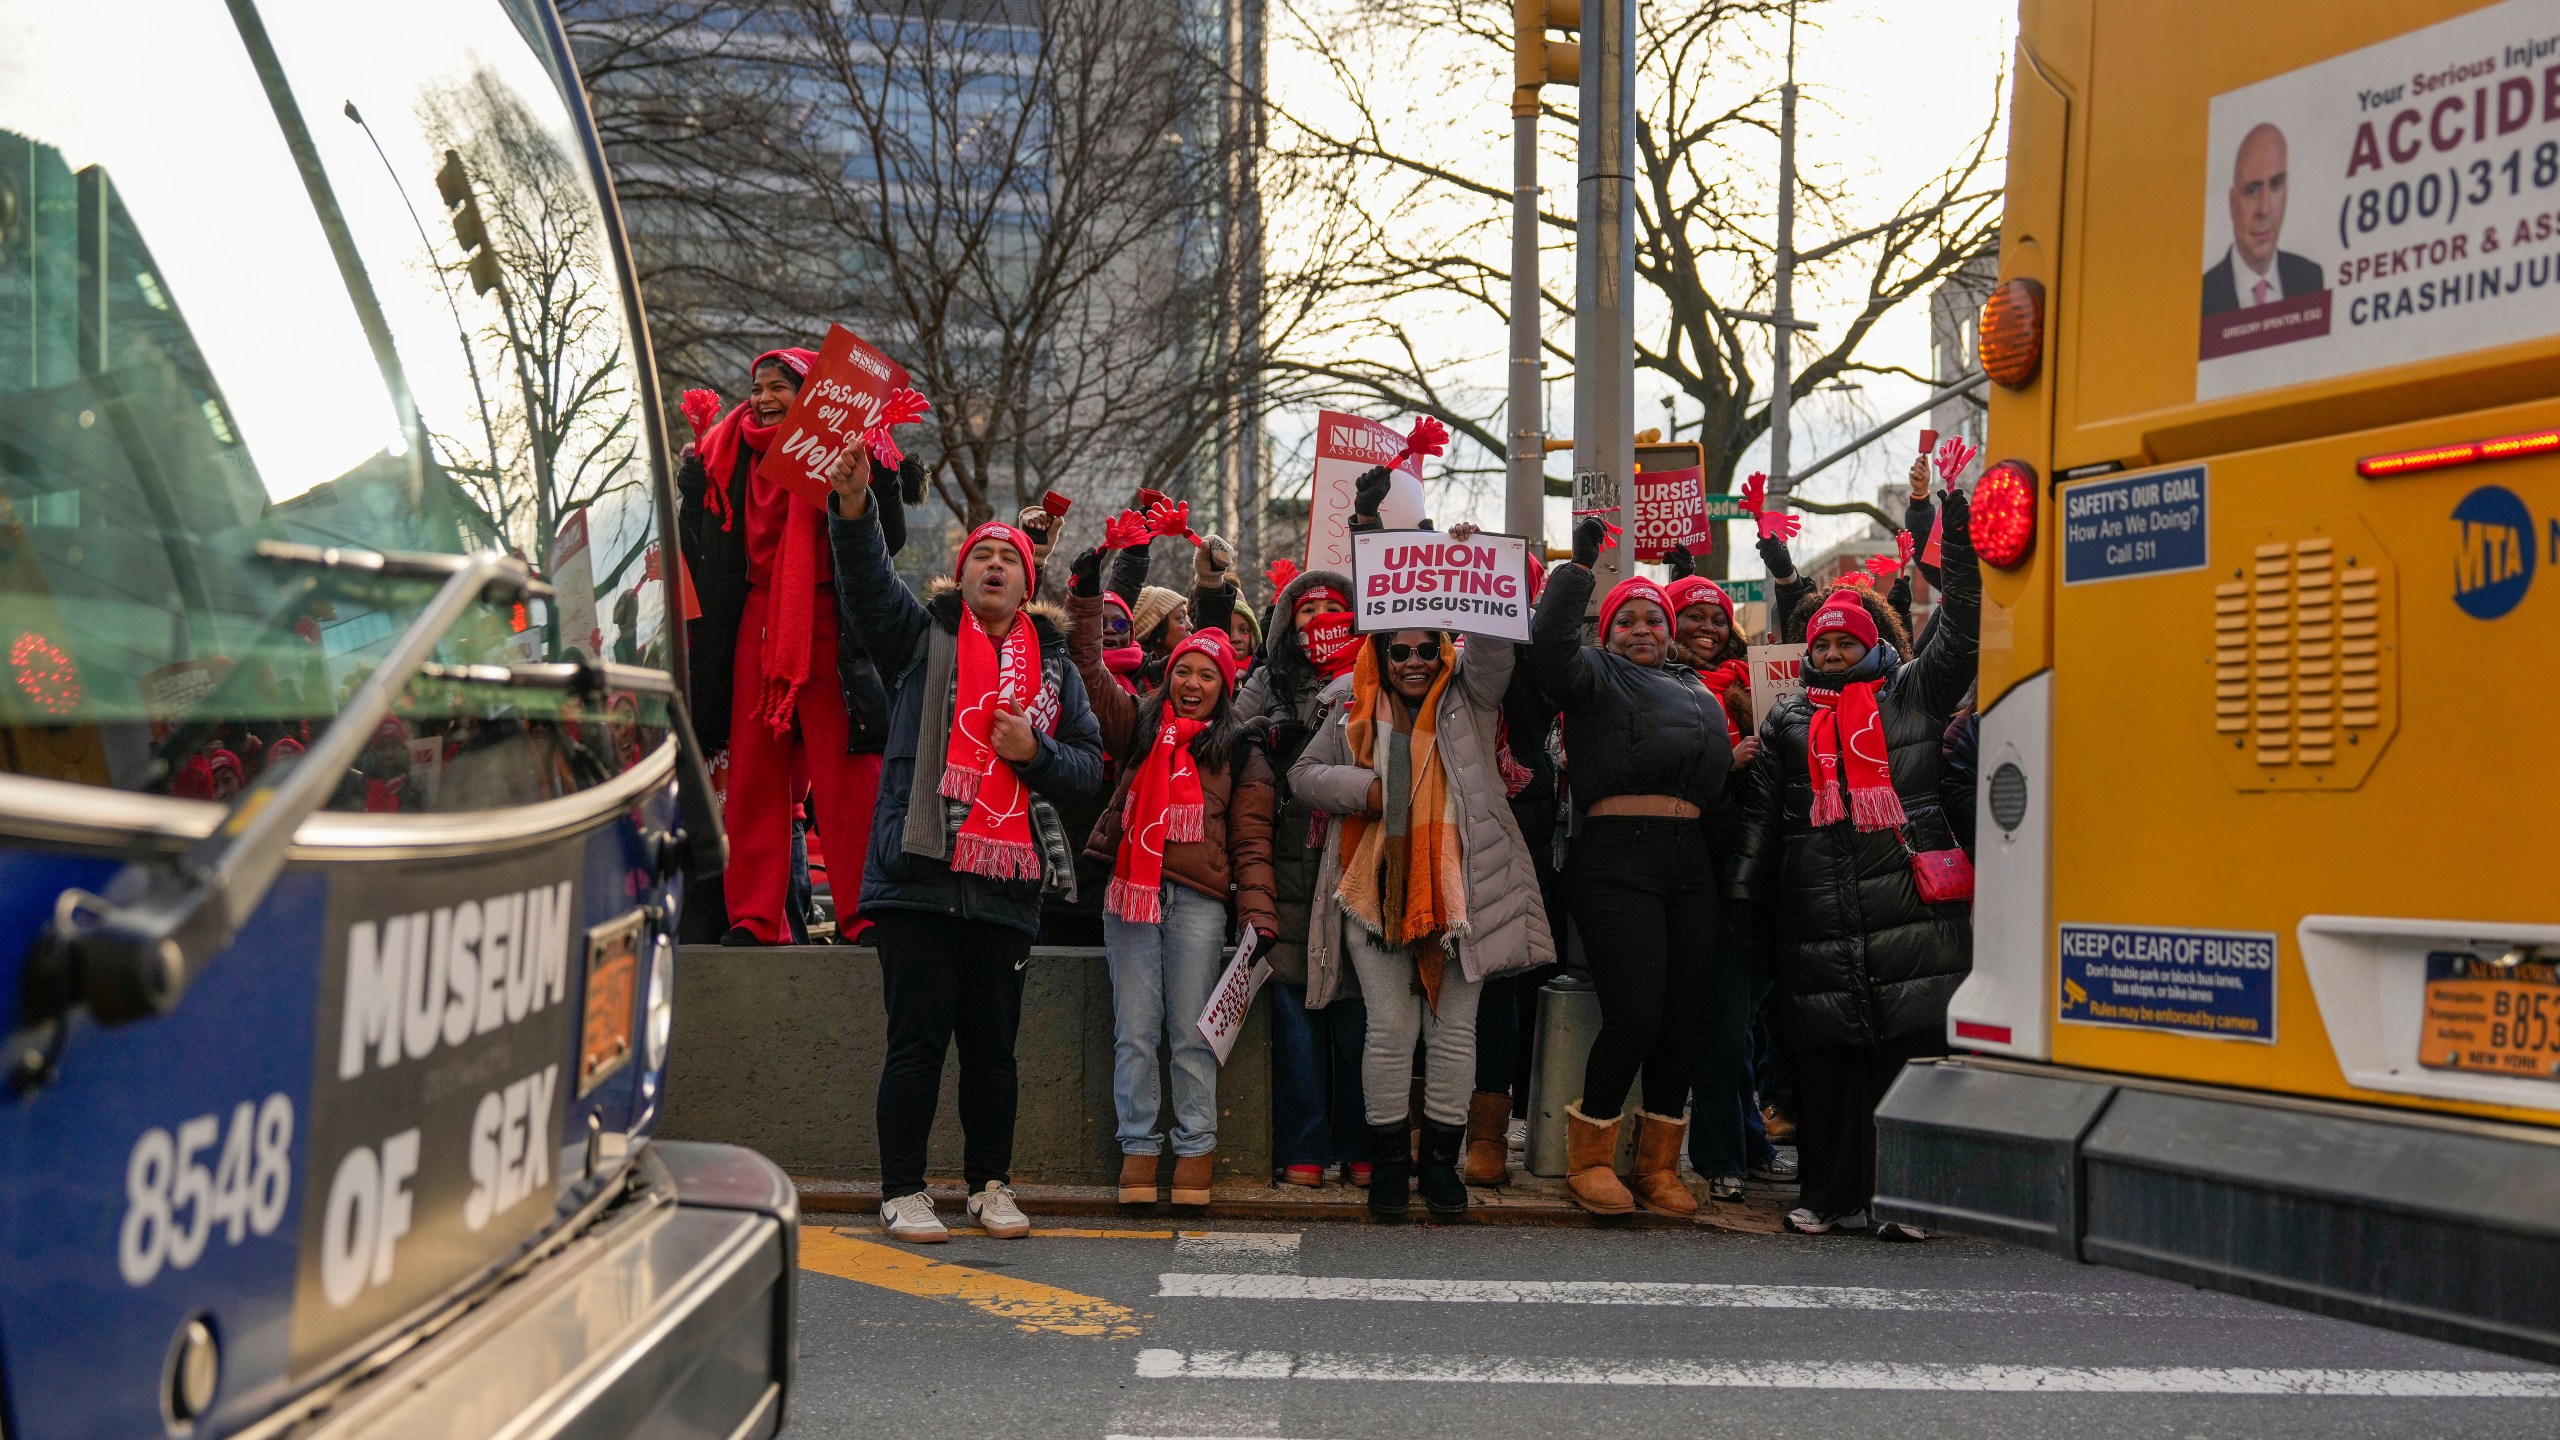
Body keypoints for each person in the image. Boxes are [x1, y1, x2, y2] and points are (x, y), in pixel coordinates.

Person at [825, 447, 1106, 1245]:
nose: (993, 565)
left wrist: (1035, 753)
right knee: (914, 1045)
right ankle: (903, 1193)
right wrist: (853, 507)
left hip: (1006, 887)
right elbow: (867, 586)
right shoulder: (919, 640)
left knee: (993, 1053)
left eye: (1007, 559)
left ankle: (990, 1186)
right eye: (980, 555)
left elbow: (1087, 770)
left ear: (1029, 583)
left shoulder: (1056, 670)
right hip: (917, 874)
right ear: (960, 574)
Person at [1291, 523, 1556, 1221]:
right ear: (1382, 651)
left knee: (1455, 1033)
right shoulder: (1350, 700)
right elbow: (1303, 776)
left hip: (1462, 892)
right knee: (1388, 1029)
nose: (1412, 661)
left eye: (1424, 649)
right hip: (1371, 892)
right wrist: (1368, 791)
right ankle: (1387, 1166)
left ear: (1441, 649)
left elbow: (1496, 648)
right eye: (1398, 650)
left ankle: (1441, 1167)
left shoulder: (1470, 695)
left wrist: (1472, 570)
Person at [1734, 488, 1979, 1240]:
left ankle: (1904, 1202)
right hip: (1819, 913)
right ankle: (1830, 1194)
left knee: (1908, 1060)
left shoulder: (1912, 694)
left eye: (1847, 643)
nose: (1834, 654)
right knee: (1829, 1064)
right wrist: (1745, 897)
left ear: (1875, 645)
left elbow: (1963, 626)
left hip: (1907, 909)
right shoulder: (1788, 719)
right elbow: (1764, 819)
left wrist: (1953, 536)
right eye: (1823, 646)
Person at [1527, 518, 1735, 1217]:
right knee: (1635, 1013)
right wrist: (1580, 566)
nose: (1643, 628)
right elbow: (1551, 648)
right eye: (1628, 620)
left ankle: (1657, 1167)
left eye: (1655, 618)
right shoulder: (1590, 673)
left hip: (1689, 862)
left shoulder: (1697, 688)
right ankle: (1589, 1160)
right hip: (1617, 860)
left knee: (1683, 1018)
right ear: (1606, 632)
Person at [1067, 547, 1278, 1208]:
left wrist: (1259, 915)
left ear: (1224, 687)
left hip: (1198, 904)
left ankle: (1194, 1154)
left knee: (1190, 1035)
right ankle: (1138, 1151)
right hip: (1131, 895)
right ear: (1168, 678)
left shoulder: (1240, 746)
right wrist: (1085, 593)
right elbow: (1089, 668)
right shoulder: (1139, 727)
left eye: (1205, 676)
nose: (1191, 683)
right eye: (1182, 671)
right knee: (1134, 1030)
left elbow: (1251, 839)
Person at [677, 347, 907, 945]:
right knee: (753, 775)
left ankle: (864, 914)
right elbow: (701, 555)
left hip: (831, 619)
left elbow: (893, 540)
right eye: (757, 388)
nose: (763, 398)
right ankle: (755, 918)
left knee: (847, 776)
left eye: (780, 386)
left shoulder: (849, 450)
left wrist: (877, 473)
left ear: (812, 397)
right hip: (757, 620)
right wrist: (689, 490)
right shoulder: (723, 456)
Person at [1233, 564, 1372, 1188]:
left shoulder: (1378, 671)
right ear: (1289, 623)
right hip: (1291, 857)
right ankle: (1304, 1147)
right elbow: (1225, 735)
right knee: (1295, 1016)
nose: (1320, 621)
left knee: (1361, 1013)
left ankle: (1364, 1144)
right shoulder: (1268, 680)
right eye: (1308, 611)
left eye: (1333, 609)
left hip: (1357, 855)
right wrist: (1266, 733)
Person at [2203, 123, 2323, 315]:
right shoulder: (2204, 297)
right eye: (2252, 191)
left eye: (2276, 185)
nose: (2265, 209)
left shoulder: (2311, 279)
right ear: (2233, 204)